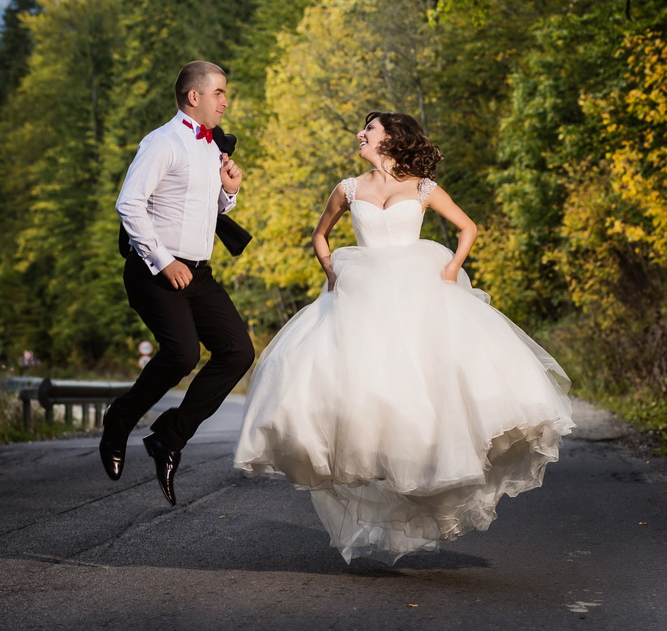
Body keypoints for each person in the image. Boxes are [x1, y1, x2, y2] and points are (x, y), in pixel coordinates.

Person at [234, 111, 574, 563]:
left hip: (419, 288)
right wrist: (331, 269)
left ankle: (426, 464)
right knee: (358, 385)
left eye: (369, 129)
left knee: (425, 384)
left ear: (390, 137)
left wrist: (452, 267)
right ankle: (372, 462)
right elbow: (320, 235)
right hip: (361, 293)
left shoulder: (423, 187)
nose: (360, 134)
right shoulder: (348, 188)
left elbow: (467, 228)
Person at [100, 61, 255, 505]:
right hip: (153, 268)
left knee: (238, 351)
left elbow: (205, 213)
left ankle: (169, 438)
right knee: (182, 354)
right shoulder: (162, 142)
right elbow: (128, 204)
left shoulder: (210, 149)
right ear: (194, 96)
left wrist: (229, 192)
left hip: (197, 271)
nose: (226, 101)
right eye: (220, 93)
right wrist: (164, 261)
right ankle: (120, 421)